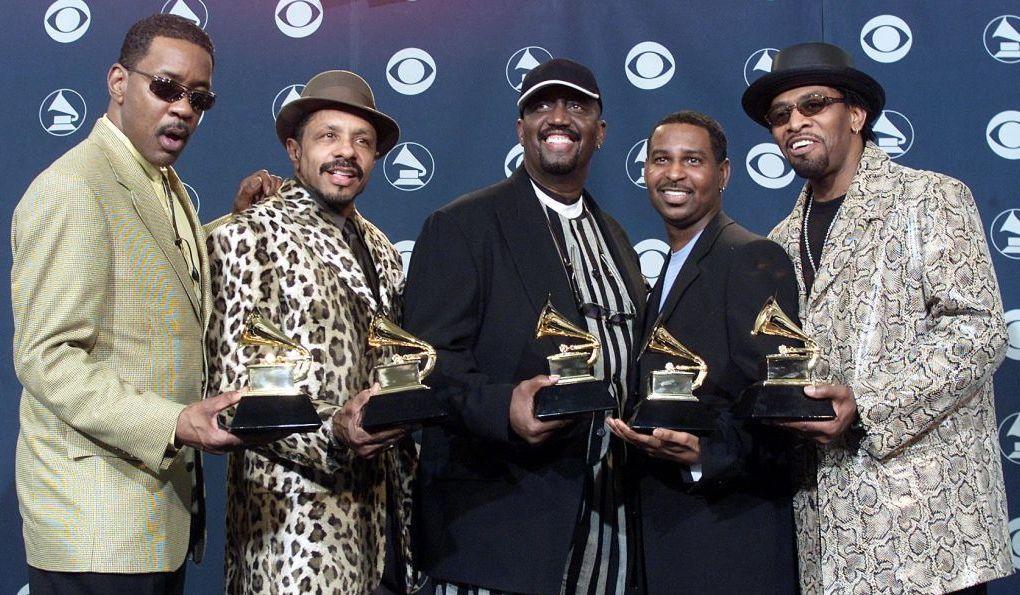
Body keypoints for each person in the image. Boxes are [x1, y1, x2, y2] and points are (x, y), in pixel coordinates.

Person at [741, 41, 1014, 594]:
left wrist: (865, 404)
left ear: (857, 115)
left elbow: (977, 332)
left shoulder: (929, 199)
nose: (796, 122)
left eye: (813, 104)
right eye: (780, 115)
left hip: (932, 536)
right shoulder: (776, 244)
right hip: (829, 541)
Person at [11, 13, 270, 595]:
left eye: (199, 98)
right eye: (167, 88)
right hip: (94, 532)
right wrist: (173, 421)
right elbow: (47, 358)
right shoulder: (74, 187)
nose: (183, 108)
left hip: (151, 523)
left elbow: (161, 269)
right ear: (119, 82)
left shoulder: (155, 178)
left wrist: (239, 221)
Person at [403, 59, 646, 594]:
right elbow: (422, 365)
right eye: (540, 105)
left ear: (600, 133)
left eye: (576, 105)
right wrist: (502, 406)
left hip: (611, 529)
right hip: (499, 533)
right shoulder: (462, 226)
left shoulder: (619, 240)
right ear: (520, 130)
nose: (557, 117)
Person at [205, 70, 416, 595]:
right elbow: (235, 398)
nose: (347, 151)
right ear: (294, 151)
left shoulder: (384, 248)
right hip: (290, 536)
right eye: (329, 137)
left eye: (362, 141)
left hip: (381, 530)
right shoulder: (248, 234)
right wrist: (335, 432)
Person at [605, 111, 800, 594]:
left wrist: (703, 455)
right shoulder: (661, 270)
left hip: (730, 541)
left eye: (692, 160)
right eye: (661, 159)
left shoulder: (751, 258)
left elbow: (784, 413)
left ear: (724, 174)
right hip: (665, 536)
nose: (674, 173)